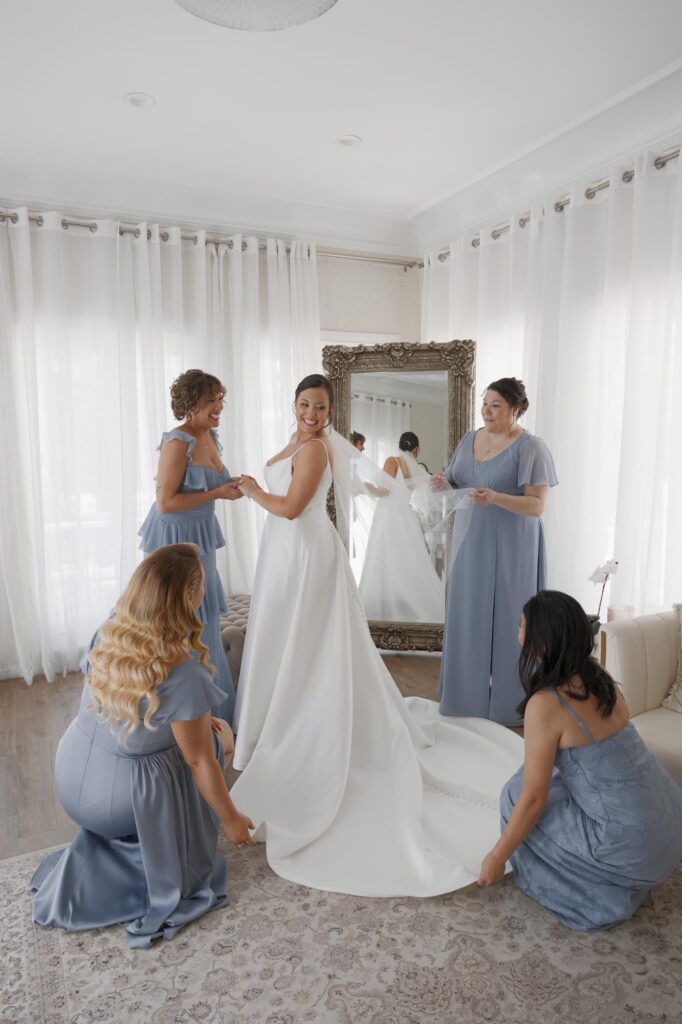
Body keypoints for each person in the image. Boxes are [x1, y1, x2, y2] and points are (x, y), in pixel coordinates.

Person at [230, 374, 523, 898]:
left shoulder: (317, 447)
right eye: (304, 404)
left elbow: (293, 507)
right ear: (293, 404)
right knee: (296, 645)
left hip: (304, 552)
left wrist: (253, 490)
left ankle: (310, 730)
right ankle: (287, 721)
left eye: (320, 406)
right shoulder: (298, 439)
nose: (311, 413)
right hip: (286, 555)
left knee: (312, 649)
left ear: (331, 410)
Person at [29, 544, 255, 948]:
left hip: (71, 771)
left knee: (198, 740)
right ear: (188, 596)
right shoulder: (182, 672)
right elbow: (200, 762)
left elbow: (132, 712)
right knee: (212, 752)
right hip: (116, 801)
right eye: (202, 585)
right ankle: (151, 857)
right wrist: (232, 818)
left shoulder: (111, 628)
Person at [478, 590, 682, 930]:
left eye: (522, 625)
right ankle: (617, 873)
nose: (518, 631)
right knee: (541, 781)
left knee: (515, 795)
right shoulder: (601, 678)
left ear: (538, 642)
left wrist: (497, 857)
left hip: (633, 849)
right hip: (670, 826)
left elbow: (532, 798)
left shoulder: (545, 704)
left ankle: (598, 894)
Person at [435, 377, 557, 725]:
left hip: (514, 543)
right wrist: (442, 483)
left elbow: (536, 506)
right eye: (484, 404)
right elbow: (456, 482)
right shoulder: (469, 439)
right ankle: (464, 698)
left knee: (512, 619)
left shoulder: (531, 447)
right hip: (471, 539)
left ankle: (513, 705)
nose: (486, 411)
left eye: (495, 405)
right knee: (467, 612)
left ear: (515, 410)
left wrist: (496, 498)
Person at [138, 369, 243, 724]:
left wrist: (237, 484)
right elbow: (166, 503)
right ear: (190, 404)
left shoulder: (210, 436)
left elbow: (212, 482)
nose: (218, 407)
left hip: (203, 536)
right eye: (210, 400)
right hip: (175, 539)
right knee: (180, 623)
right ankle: (177, 715)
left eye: (220, 399)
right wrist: (216, 493)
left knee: (207, 619)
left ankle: (214, 715)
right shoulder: (176, 442)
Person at [358, 431, 444, 622]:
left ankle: (383, 612)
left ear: (400, 445)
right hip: (406, 516)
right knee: (407, 560)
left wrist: (362, 487)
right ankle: (406, 607)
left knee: (384, 559)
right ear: (415, 449)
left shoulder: (393, 461)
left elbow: (383, 491)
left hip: (388, 516)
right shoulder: (415, 469)